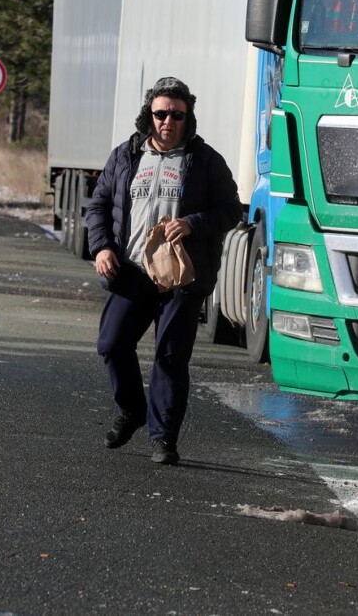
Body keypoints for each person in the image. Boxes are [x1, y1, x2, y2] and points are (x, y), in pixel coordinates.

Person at [84, 77, 240, 465]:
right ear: (148, 115)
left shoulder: (205, 161)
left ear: (188, 118)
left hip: (181, 277)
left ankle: (163, 438)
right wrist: (102, 246)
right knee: (111, 344)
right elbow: (98, 206)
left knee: (169, 357)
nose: (168, 121)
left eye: (177, 115)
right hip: (133, 271)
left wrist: (192, 223)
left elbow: (231, 210)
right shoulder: (125, 156)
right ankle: (132, 411)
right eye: (161, 114)